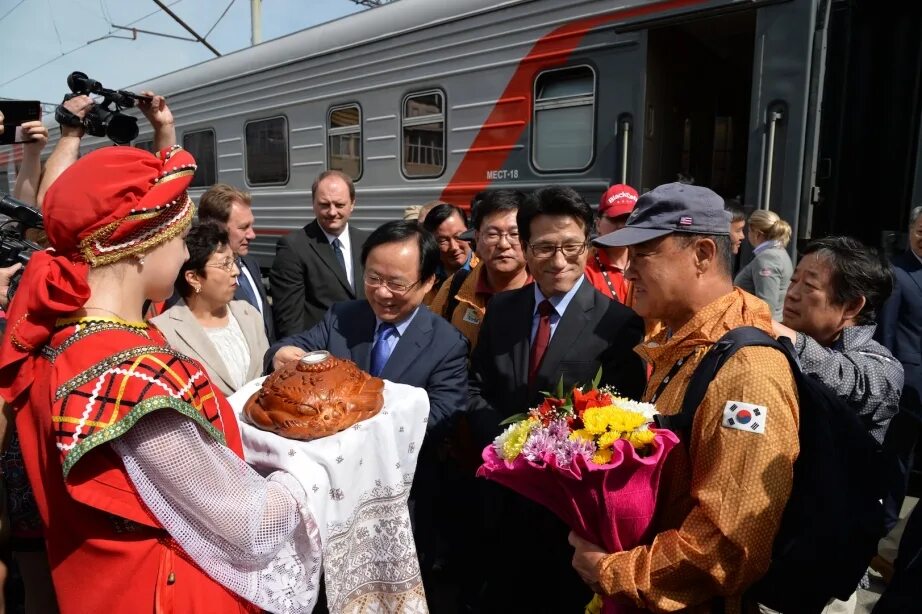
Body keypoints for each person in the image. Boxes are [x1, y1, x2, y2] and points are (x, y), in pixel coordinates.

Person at [0, 146, 320, 614]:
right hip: (166, 593)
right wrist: (321, 469)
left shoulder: (55, 341)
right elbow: (250, 524)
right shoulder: (129, 371)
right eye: (178, 236)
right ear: (139, 246)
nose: (185, 250)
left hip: (97, 588)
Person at [569, 182, 800, 612]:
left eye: (643, 255)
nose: (628, 270)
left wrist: (611, 571)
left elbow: (728, 546)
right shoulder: (687, 343)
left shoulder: (746, 373)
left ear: (702, 256)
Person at [467, 185, 647, 612]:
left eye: (571, 246)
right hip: (501, 496)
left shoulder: (617, 323)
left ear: (588, 245)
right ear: (526, 249)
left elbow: (621, 417)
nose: (559, 260)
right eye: (545, 247)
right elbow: (475, 387)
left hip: (570, 513)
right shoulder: (504, 310)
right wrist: (506, 445)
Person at [264, 220, 469, 590]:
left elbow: (440, 417)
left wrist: (353, 428)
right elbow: (298, 343)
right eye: (374, 278)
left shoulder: (446, 344)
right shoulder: (342, 316)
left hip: (398, 500)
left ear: (427, 284)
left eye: (397, 284)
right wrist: (281, 353)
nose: (383, 293)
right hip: (328, 501)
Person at [772, 235, 902, 613]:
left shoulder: (880, 367)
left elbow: (849, 379)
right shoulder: (783, 344)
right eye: (793, 281)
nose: (791, 294)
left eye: (808, 285)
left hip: (824, 572)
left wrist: (788, 338)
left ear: (853, 305)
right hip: (774, 557)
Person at [151, 223, 269, 396]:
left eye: (234, 261)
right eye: (225, 264)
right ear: (193, 278)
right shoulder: (165, 333)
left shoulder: (249, 314)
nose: (236, 271)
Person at [875, 205, 922, 591]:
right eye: (921, 229)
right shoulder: (896, 272)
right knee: (897, 462)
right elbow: (886, 335)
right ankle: (887, 533)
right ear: (910, 230)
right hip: (908, 386)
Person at [269, 170, 370, 337]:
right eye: (324, 204)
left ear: (352, 204)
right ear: (313, 204)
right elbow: (289, 320)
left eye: (339, 205)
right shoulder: (293, 247)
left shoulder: (366, 242)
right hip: (321, 352)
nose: (332, 212)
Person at [428, 189, 530, 350]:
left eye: (514, 233)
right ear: (476, 238)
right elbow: (429, 344)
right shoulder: (455, 286)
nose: (503, 244)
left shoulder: (547, 292)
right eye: (492, 234)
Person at [197, 183, 275, 342]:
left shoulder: (250, 264)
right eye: (243, 227)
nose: (252, 235)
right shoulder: (201, 281)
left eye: (251, 225)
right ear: (216, 228)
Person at [734, 209, 794, 320]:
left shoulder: (767, 257)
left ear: (757, 234)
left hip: (761, 330)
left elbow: (766, 306)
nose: (744, 236)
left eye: (748, 231)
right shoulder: (777, 252)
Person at [585, 183, 638, 304]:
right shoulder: (585, 270)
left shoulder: (647, 266)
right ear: (598, 224)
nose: (621, 226)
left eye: (628, 219)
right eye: (614, 219)